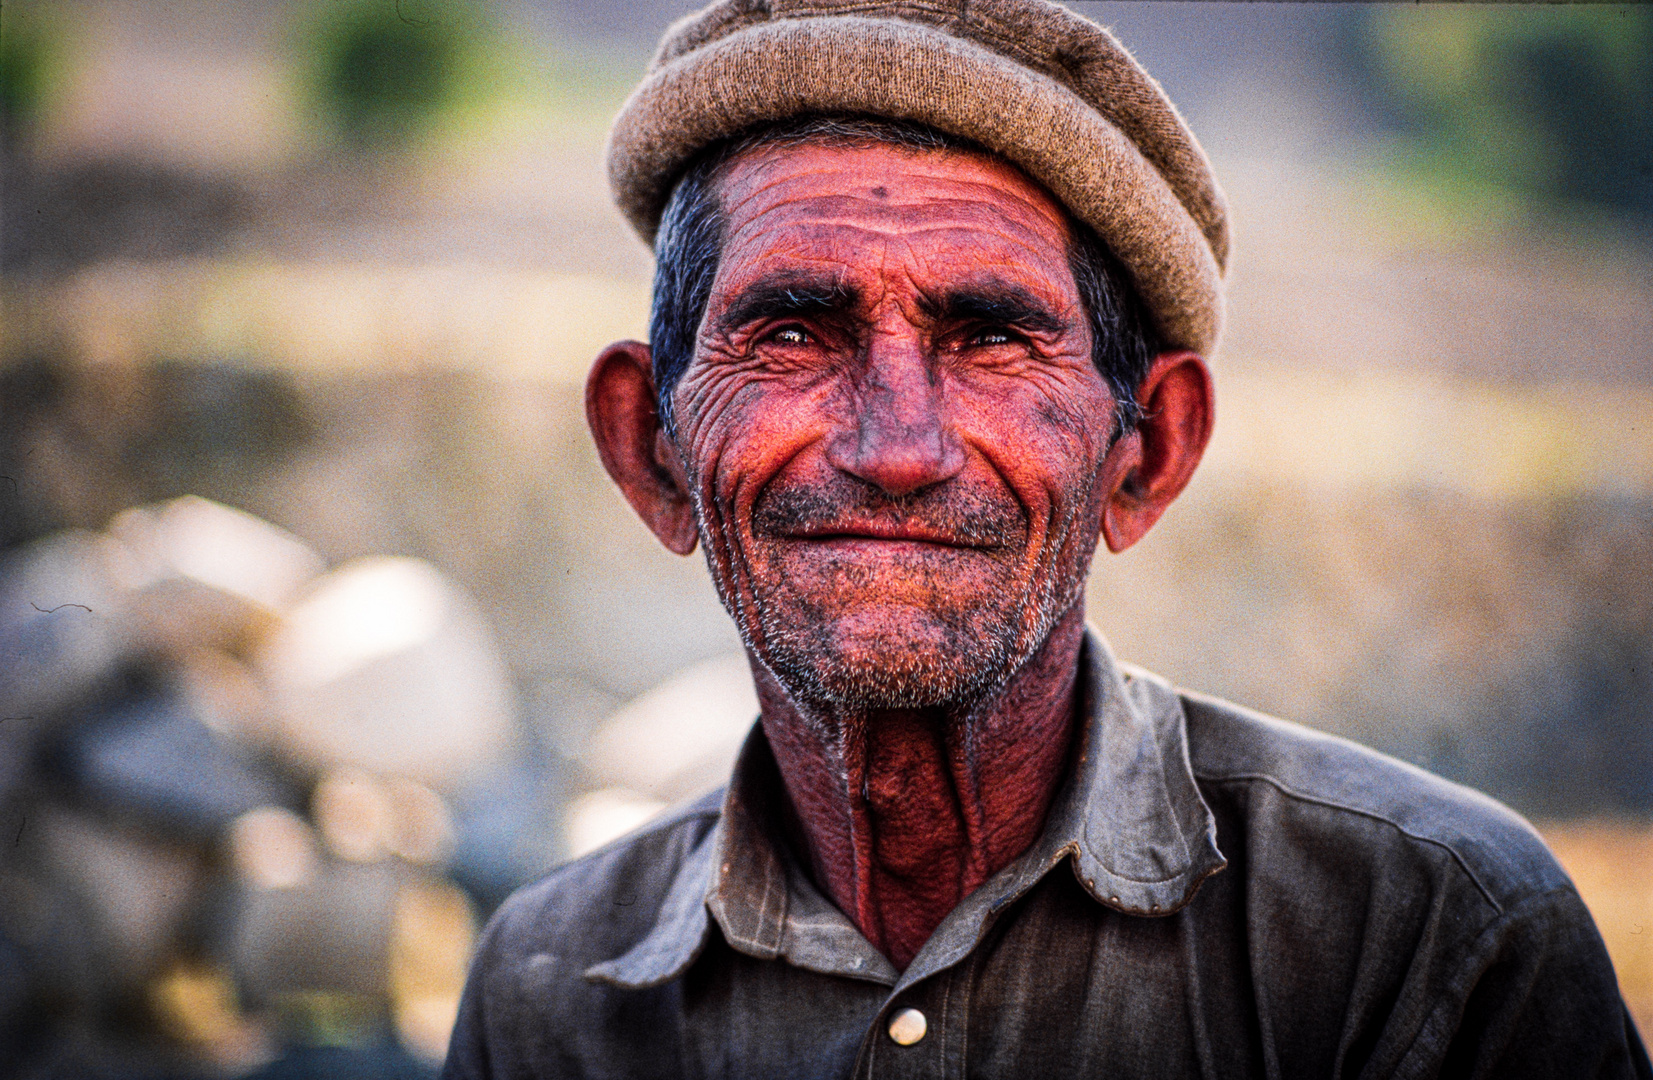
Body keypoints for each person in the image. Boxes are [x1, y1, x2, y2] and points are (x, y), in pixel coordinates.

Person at [443, 1, 1651, 1076]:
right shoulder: (550, 990)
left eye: (993, 341)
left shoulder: (1424, 939)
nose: (899, 447)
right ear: (652, 445)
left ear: (1149, 452)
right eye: (797, 334)